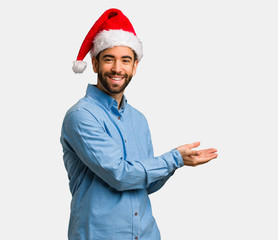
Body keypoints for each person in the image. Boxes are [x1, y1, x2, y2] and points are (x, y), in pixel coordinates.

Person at [60, 8, 218, 240]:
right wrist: (174, 158)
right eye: (108, 59)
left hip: (146, 234)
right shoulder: (81, 116)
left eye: (125, 60)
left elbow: (145, 185)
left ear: (135, 66)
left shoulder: (139, 119)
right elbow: (120, 175)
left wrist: (177, 163)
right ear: (94, 64)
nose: (117, 68)